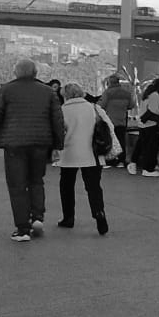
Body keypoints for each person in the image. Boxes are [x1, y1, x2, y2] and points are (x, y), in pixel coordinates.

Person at [0, 58, 64, 241]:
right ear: (35, 73)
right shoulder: (48, 91)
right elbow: (57, 120)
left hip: (14, 145)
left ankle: (23, 229)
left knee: (17, 185)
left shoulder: (5, 90)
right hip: (40, 144)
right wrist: (58, 145)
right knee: (36, 181)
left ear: (15, 72)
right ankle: (37, 217)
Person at [53, 81, 110, 235]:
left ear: (65, 95)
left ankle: (68, 217)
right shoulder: (93, 108)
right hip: (92, 153)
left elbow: (58, 132)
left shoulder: (62, 110)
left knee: (66, 186)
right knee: (93, 186)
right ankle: (99, 213)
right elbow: (107, 126)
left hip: (69, 153)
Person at [128, 77, 159, 176]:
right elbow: (154, 111)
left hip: (143, 124)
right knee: (151, 147)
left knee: (142, 145)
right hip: (151, 124)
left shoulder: (147, 94)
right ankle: (148, 169)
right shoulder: (155, 95)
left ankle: (141, 165)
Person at [98, 74, 133, 166]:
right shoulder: (127, 93)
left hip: (110, 120)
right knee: (121, 140)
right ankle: (122, 160)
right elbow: (131, 105)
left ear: (109, 83)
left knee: (111, 140)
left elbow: (101, 105)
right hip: (122, 120)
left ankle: (111, 160)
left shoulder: (107, 93)